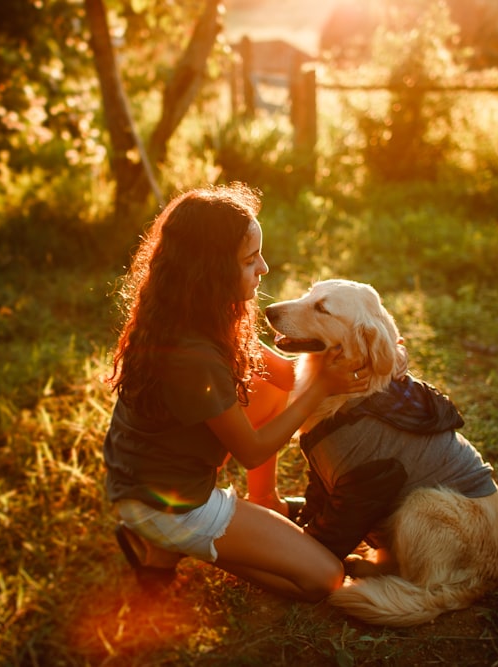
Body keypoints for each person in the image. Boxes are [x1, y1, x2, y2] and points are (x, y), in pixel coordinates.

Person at [102, 183, 369, 601]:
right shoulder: (192, 355)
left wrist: (355, 351)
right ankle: (178, 542)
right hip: (170, 502)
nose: (264, 267)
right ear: (209, 270)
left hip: (142, 477)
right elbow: (251, 450)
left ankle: (257, 505)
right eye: (249, 260)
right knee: (325, 578)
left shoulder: (199, 312)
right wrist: (320, 389)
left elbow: (283, 377)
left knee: (270, 393)